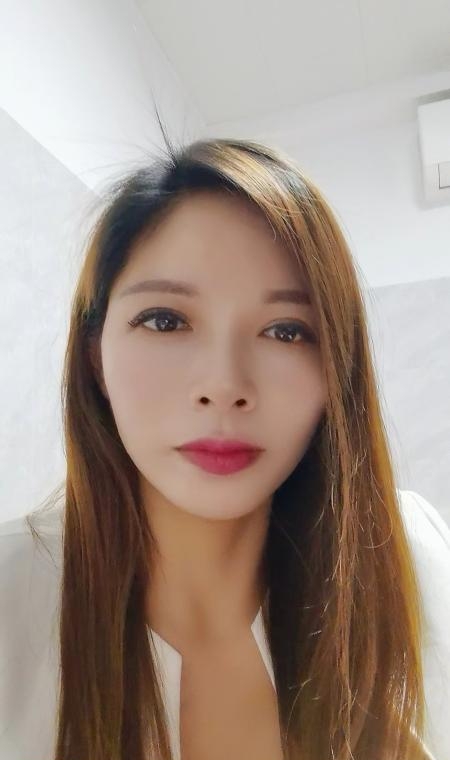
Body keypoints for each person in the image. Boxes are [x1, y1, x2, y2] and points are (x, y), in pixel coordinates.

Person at [0, 136, 449, 760]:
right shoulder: (11, 595)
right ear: (96, 357)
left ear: (337, 369)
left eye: (286, 331)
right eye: (165, 320)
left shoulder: (410, 553)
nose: (224, 385)